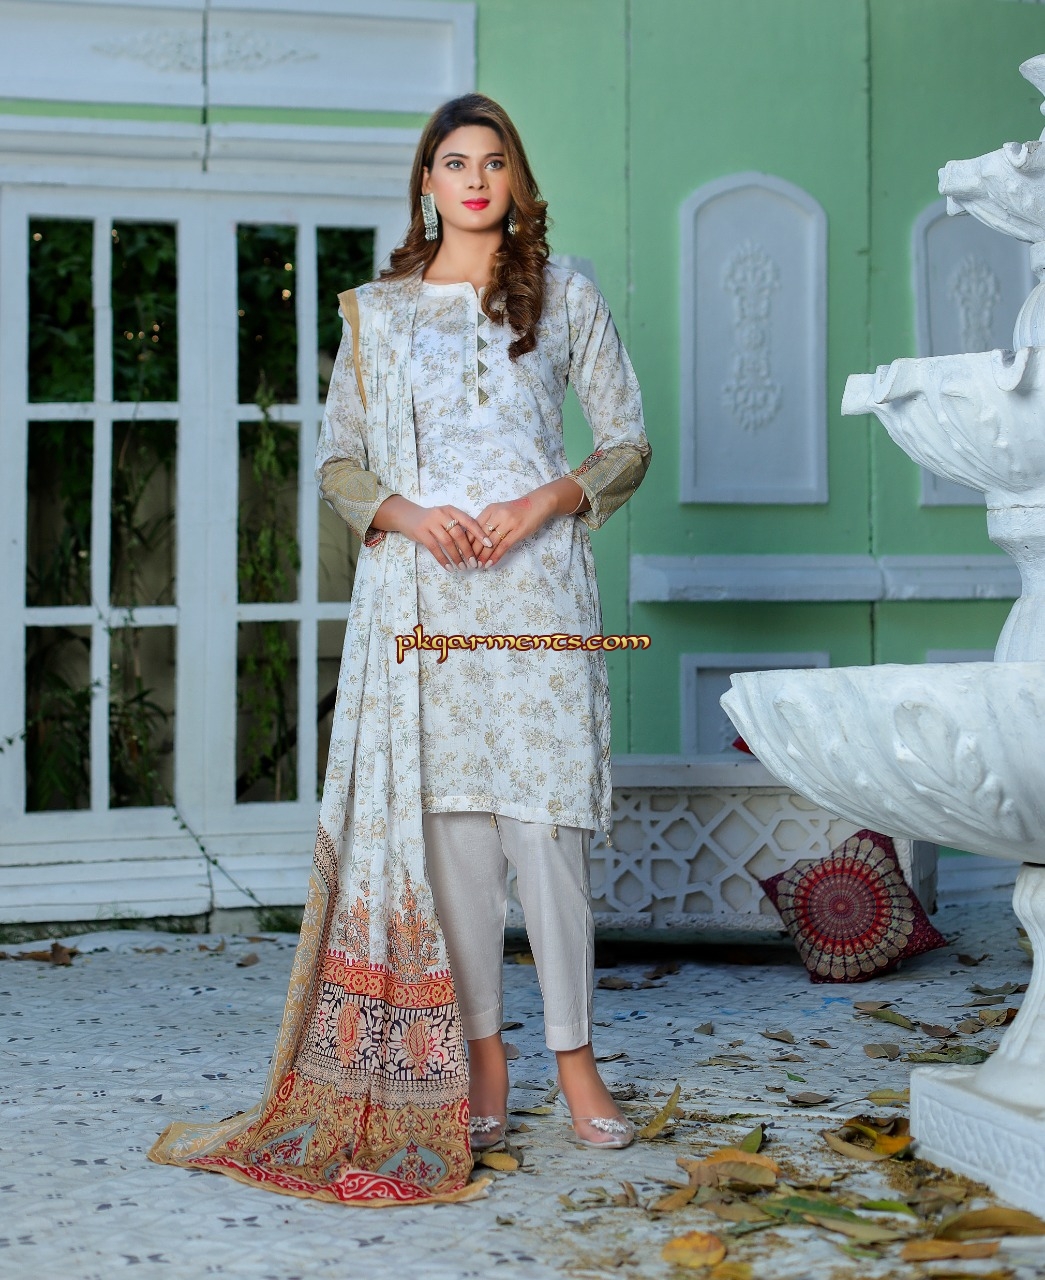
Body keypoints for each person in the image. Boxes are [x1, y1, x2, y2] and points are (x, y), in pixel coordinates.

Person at [148, 93, 651, 1207]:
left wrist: (542, 501)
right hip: (423, 597)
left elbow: (625, 442)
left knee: (547, 831)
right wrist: (413, 518)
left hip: (537, 591)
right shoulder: (377, 314)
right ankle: (484, 1062)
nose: (475, 180)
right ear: (427, 182)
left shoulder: (566, 294)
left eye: (493, 162)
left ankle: (576, 1059)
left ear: (516, 179)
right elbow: (339, 462)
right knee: (456, 837)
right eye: (454, 163)